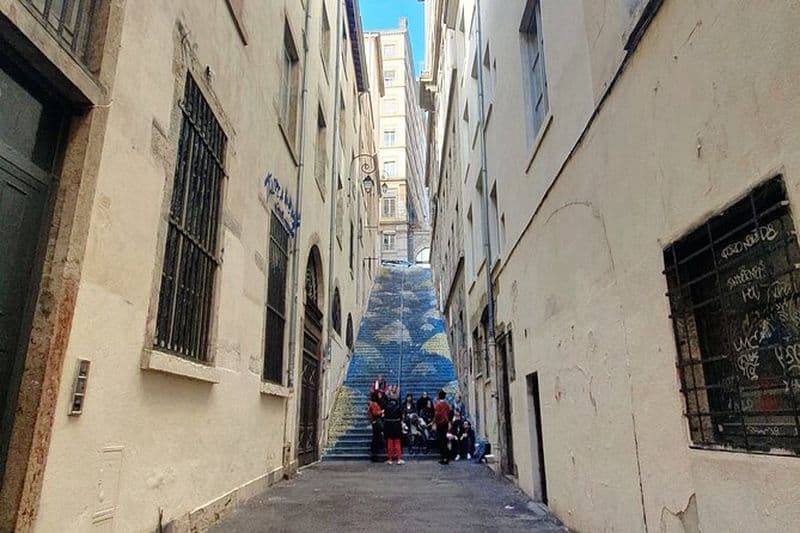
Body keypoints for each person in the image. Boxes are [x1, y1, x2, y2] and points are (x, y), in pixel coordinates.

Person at [383, 391, 405, 465]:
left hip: (389, 425)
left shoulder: (386, 405)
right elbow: (401, 416)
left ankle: (390, 459)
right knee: (397, 442)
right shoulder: (399, 405)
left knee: (389, 442)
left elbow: (385, 415)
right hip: (397, 424)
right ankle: (399, 459)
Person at [433, 390, 452, 464]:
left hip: (440, 424)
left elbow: (437, 415)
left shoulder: (438, 405)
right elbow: (449, 413)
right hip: (446, 424)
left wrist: (434, 422)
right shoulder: (447, 405)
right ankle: (446, 457)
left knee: (441, 441)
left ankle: (444, 457)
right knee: (445, 440)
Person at [367, 391, 384, 463]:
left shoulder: (373, 403)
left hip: (374, 422)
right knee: (376, 439)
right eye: (379, 394)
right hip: (376, 422)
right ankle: (374, 456)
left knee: (376, 438)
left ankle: (375, 455)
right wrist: (382, 412)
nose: (380, 396)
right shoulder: (374, 403)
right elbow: (375, 413)